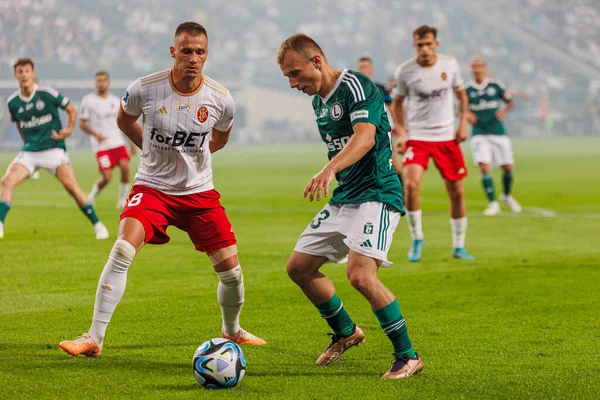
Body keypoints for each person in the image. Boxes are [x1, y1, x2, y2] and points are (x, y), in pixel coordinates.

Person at [59, 22, 266, 358]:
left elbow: (222, 136)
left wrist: (197, 157)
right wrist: (145, 145)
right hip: (153, 187)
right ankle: (94, 337)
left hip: (199, 193)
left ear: (207, 54)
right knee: (123, 249)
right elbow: (124, 120)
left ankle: (232, 329)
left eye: (200, 52)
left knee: (231, 273)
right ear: (173, 52)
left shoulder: (221, 98)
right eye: (186, 51)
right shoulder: (144, 88)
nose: (193, 59)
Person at [278, 34, 422, 379]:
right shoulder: (319, 101)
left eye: (296, 74)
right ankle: (346, 332)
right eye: (288, 78)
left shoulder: (357, 87)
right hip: (346, 196)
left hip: (377, 194)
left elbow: (366, 137)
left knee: (360, 275)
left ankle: (408, 356)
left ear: (317, 61)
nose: (294, 83)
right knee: (298, 268)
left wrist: (330, 168)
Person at [392, 25, 474, 262]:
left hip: (446, 137)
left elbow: (462, 95)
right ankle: (417, 237)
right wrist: (402, 132)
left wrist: (462, 123)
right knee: (410, 186)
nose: (425, 49)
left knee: (456, 192)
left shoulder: (450, 64)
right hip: (417, 137)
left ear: (436, 44)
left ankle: (459, 245)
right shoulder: (405, 71)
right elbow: (397, 103)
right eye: (420, 45)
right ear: (414, 46)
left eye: (428, 44)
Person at [1, 58, 108, 240]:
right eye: (20, 72)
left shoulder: (46, 93)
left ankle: (98, 226)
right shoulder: (13, 102)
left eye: (27, 71)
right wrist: (26, 143)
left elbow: (71, 109)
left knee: (72, 187)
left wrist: (68, 129)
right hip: (29, 153)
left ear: (33, 73)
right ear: (15, 75)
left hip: (53, 150)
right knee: (6, 182)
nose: (24, 75)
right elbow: (19, 124)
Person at [465, 57, 521, 215]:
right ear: (471, 70)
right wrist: (467, 114)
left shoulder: (496, 85)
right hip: (479, 133)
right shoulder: (466, 89)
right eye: (474, 67)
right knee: (484, 166)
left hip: (497, 131)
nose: (477, 69)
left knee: (508, 167)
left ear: (485, 68)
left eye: (480, 66)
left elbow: (510, 102)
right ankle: (492, 203)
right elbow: (460, 108)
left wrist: (504, 111)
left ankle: (507, 196)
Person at [79, 71, 137, 209]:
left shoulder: (116, 101)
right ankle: (91, 196)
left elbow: (125, 123)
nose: (101, 83)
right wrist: (95, 134)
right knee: (107, 176)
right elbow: (82, 123)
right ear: (95, 83)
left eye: (104, 80)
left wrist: (131, 143)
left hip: (117, 142)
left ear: (108, 83)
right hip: (101, 146)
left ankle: (122, 200)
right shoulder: (88, 100)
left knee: (125, 167)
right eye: (99, 80)